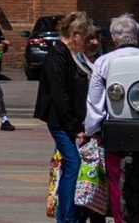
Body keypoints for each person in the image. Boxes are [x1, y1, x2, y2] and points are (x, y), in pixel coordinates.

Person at [36, 12, 94, 223]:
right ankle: (68, 217)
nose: (86, 43)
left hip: (68, 122)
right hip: (60, 122)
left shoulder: (69, 55)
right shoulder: (57, 55)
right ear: (75, 34)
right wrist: (74, 126)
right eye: (85, 38)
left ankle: (67, 215)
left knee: (73, 165)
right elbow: (60, 94)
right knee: (73, 164)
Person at [82, 14, 139, 220]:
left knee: (116, 180)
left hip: (115, 129)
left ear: (114, 39)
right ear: (137, 36)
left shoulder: (104, 62)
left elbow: (95, 102)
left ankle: (120, 218)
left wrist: (91, 131)